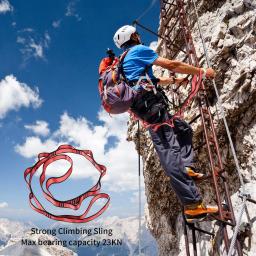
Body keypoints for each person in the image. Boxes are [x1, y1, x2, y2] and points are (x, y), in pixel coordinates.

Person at [113, 25, 218, 222]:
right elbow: (171, 63)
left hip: (147, 108)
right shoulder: (138, 50)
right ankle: (193, 205)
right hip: (152, 108)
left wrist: (175, 82)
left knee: (183, 128)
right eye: (137, 33)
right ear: (133, 36)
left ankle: (187, 167)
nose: (139, 35)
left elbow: (153, 79)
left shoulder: (124, 61)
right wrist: (201, 71)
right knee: (170, 153)